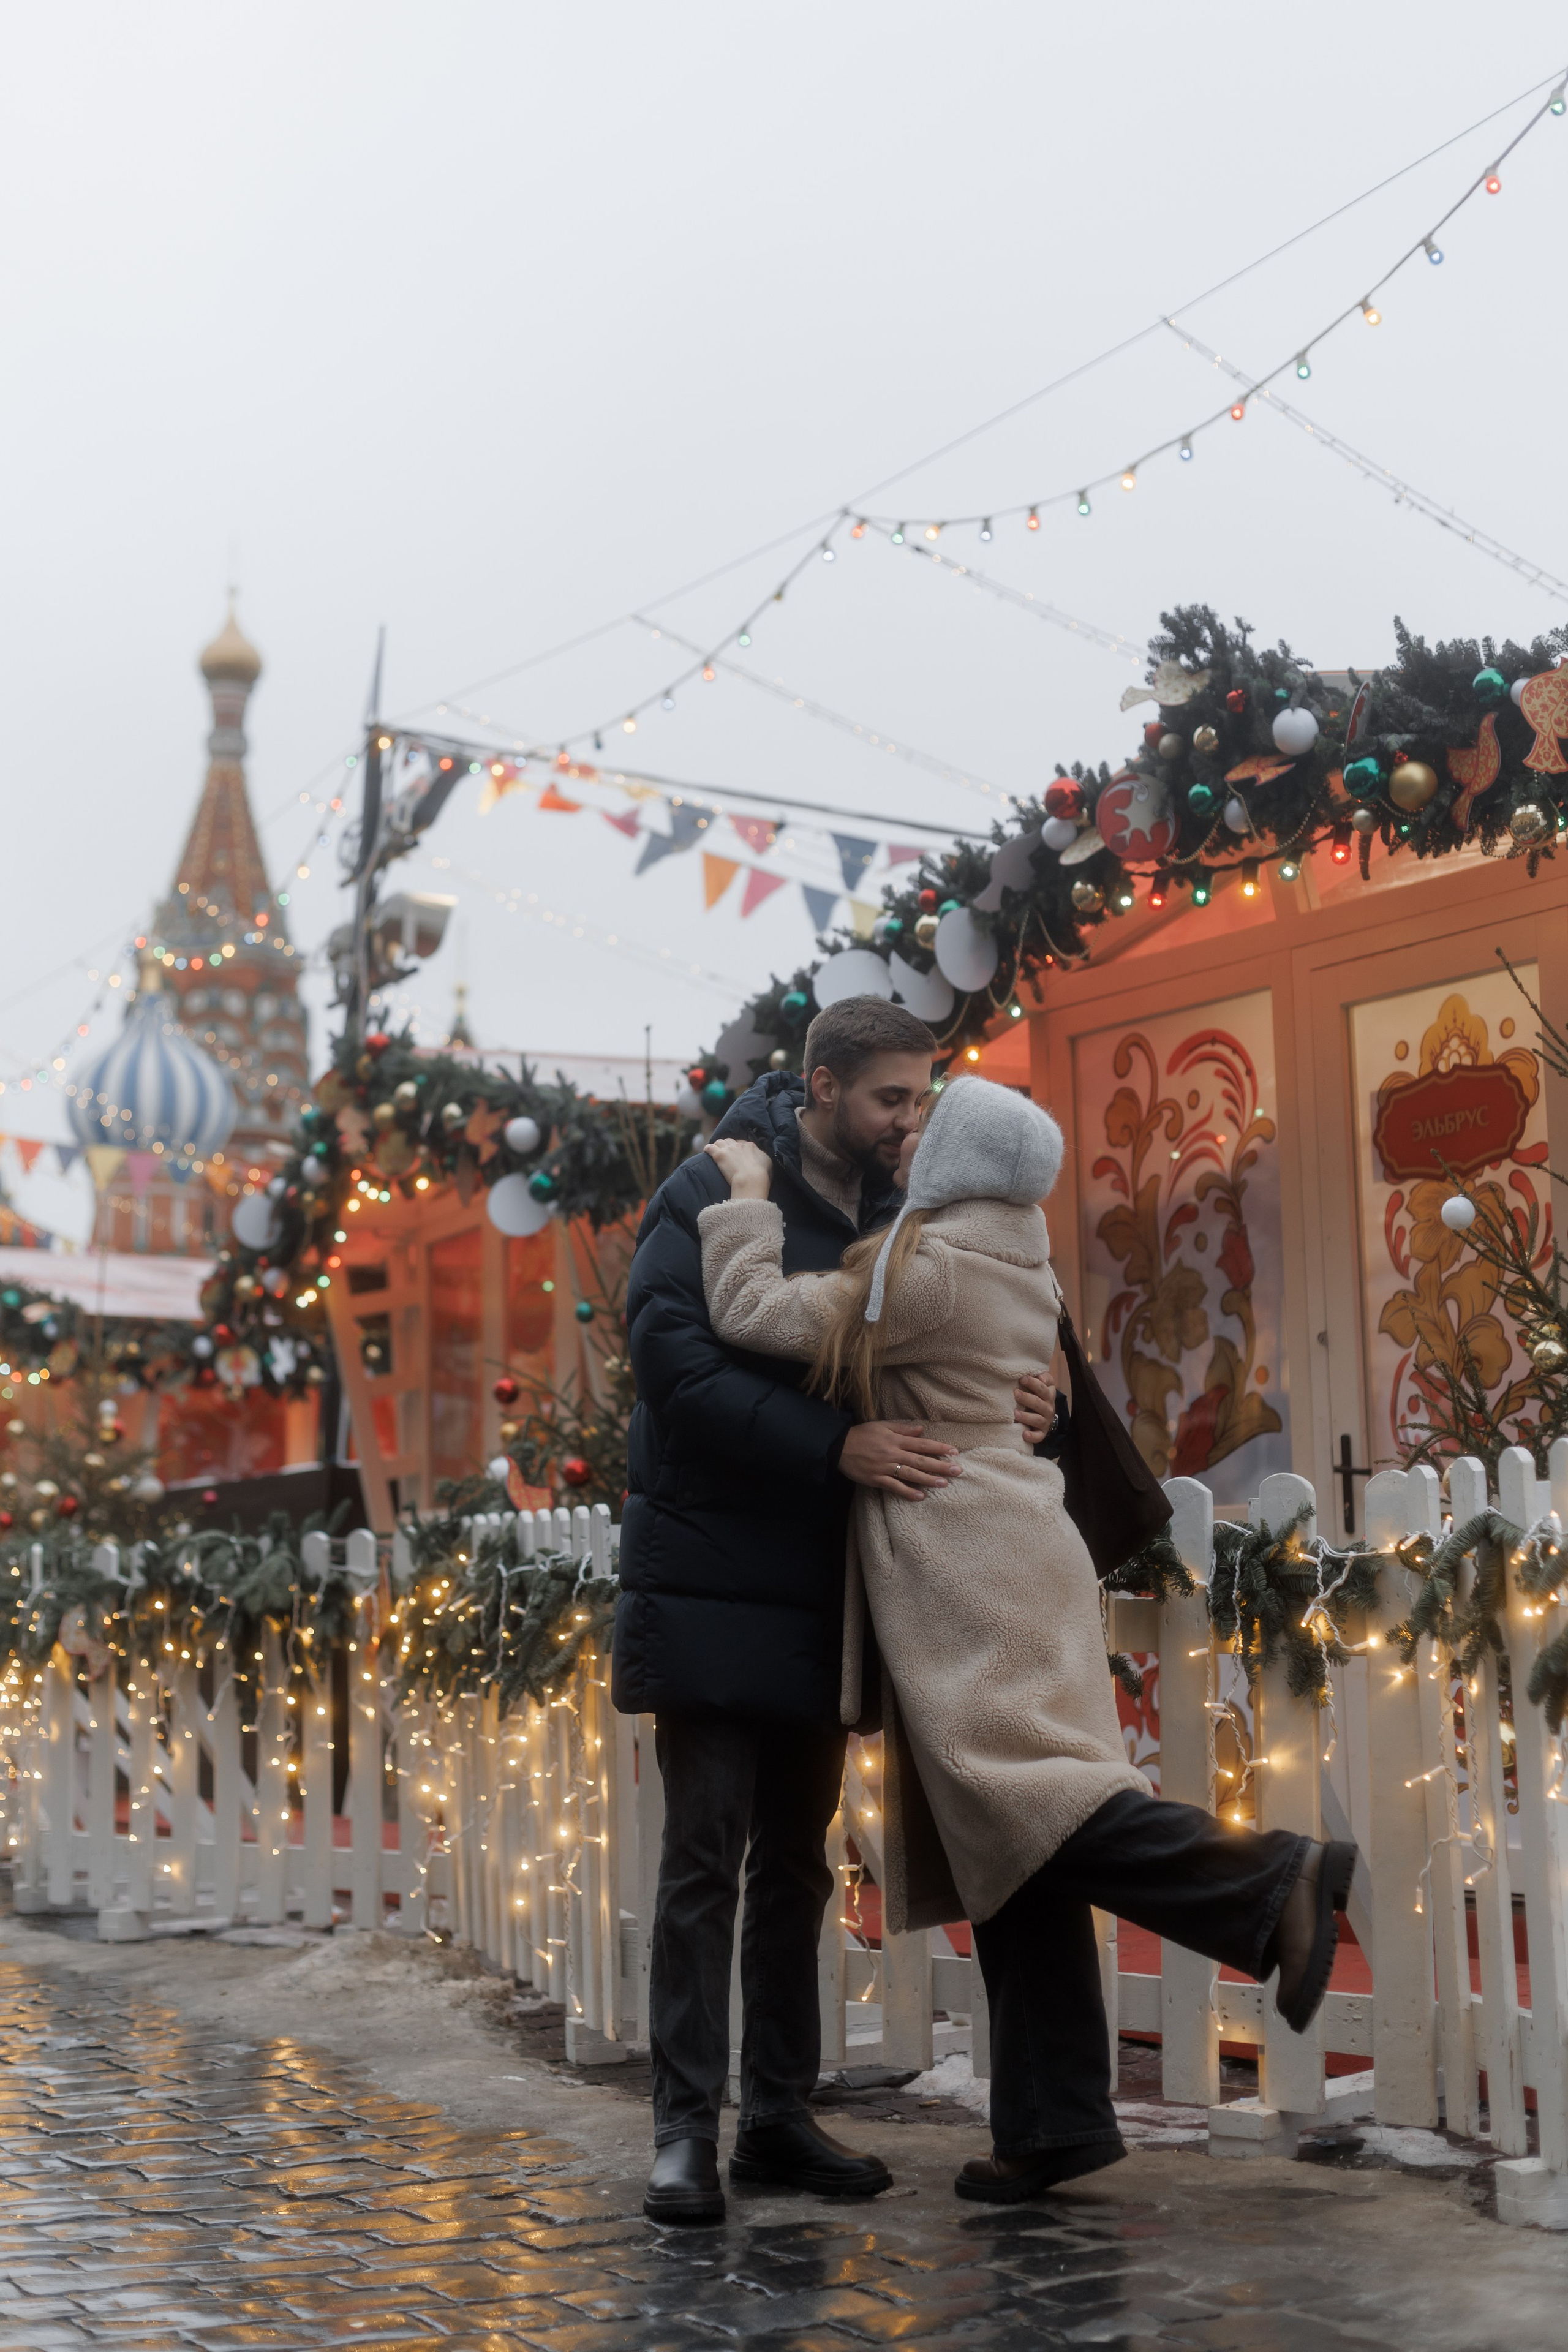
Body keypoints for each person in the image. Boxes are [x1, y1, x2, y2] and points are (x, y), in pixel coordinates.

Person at [699, 1074, 1358, 2203]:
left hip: (968, 1565)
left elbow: (756, 1314)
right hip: (1021, 1552)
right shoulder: (1019, 1254)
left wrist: (747, 1197)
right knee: (1007, 1833)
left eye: (928, 1127)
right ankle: (1052, 2123)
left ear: (959, 1157)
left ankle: (1272, 1885)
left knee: (1025, 1798)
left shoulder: (931, 1264)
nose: (907, 1141)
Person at [613, 1000, 1059, 2225]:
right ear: (818, 1087)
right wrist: (836, 1447)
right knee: (703, 1857)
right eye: (887, 1098)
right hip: (709, 1562)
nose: (907, 1120)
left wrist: (1034, 1402)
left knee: (797, 1866)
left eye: (920, 1097)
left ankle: (773, 2116)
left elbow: (976, 1337)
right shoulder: (717, 1183)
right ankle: (680, 2130)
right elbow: (672, 1362)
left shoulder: (905, 1208)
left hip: (827, 1575)